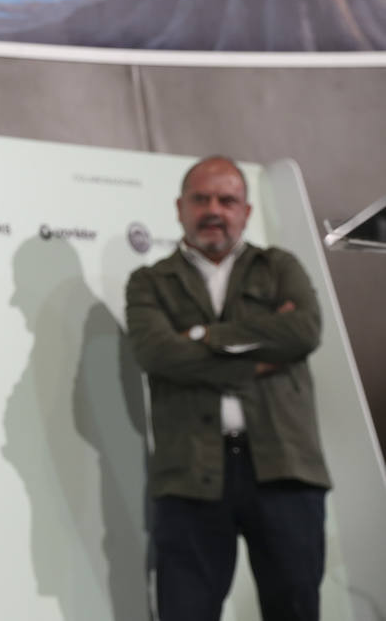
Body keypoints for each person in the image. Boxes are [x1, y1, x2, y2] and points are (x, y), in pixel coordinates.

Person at [125, 156, 330, 621]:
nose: (214, 209)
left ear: (246, 211)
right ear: (180, 207)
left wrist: (203, 338)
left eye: (227, 199)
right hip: (188, 475)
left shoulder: (279, 267)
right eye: (201, 199)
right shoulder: (149, 282)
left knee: (296, 609)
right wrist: (258, 354)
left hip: (284, 469)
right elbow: (157, 354)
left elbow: (304, 331)